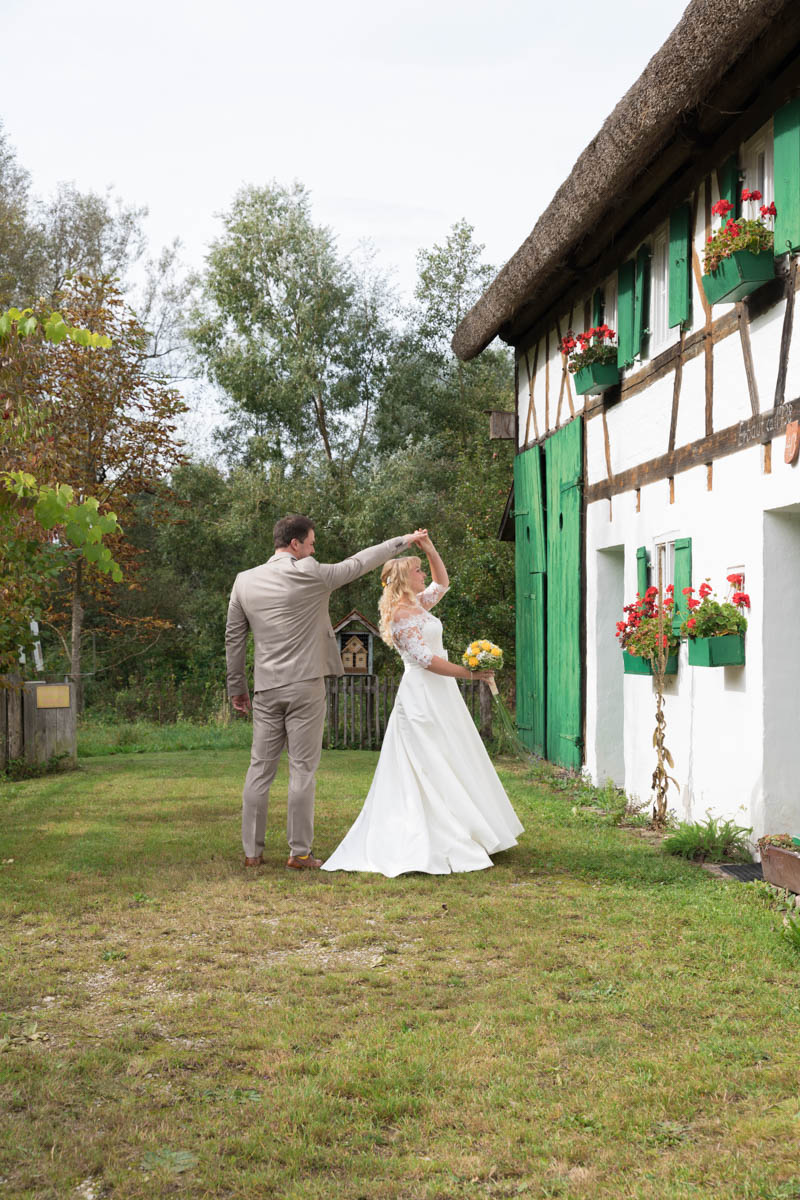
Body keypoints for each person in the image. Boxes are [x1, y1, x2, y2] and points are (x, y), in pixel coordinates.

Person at [226, 515, 425, 870]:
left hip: (266, 688)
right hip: (306, 684)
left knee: (259, 769)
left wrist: (237, 687)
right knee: (302, 769)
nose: (313, 549)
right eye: (312, 544)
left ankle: (252, 853)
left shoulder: (243, 582)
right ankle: (299, 853)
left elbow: (234, 638)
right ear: (295, 545)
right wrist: (402, 540)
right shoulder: (311, 573)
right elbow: (359, 563)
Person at [322, 532, 523, 876]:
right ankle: (433, 834)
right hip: (421, 694)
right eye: (417, 572)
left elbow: (442, 583)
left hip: (441, 693)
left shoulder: (418, 605)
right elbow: (426, 660)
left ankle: (470, 827)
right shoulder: (401, 615)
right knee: (429, 759)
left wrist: (429, 549)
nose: (422, 577)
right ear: (403, 579)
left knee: (451, 753)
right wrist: (470, 674)